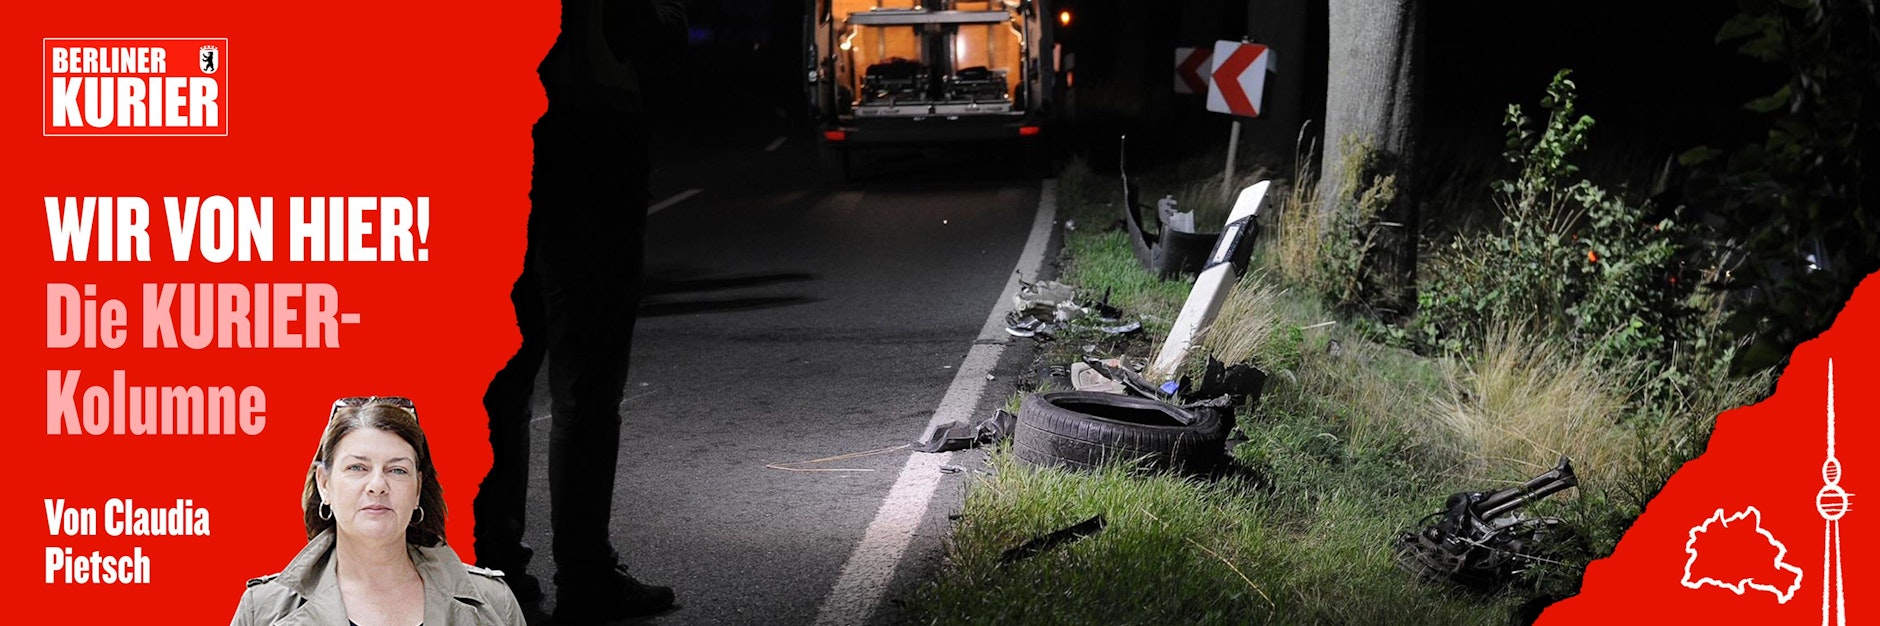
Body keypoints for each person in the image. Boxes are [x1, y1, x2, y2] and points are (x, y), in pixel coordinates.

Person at [472, 1, 686, 624]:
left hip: (492, 138)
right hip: (589, 148)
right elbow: (641, 28)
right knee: (586, 388)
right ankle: (585, 573)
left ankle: (494, 572)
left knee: (500, 386)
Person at [232, 396, 525, 626]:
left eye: (397, 470)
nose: (377, 485)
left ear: (417, 490)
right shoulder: (263, 611)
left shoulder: (494, 604)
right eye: (357, 467)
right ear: (324, 484)